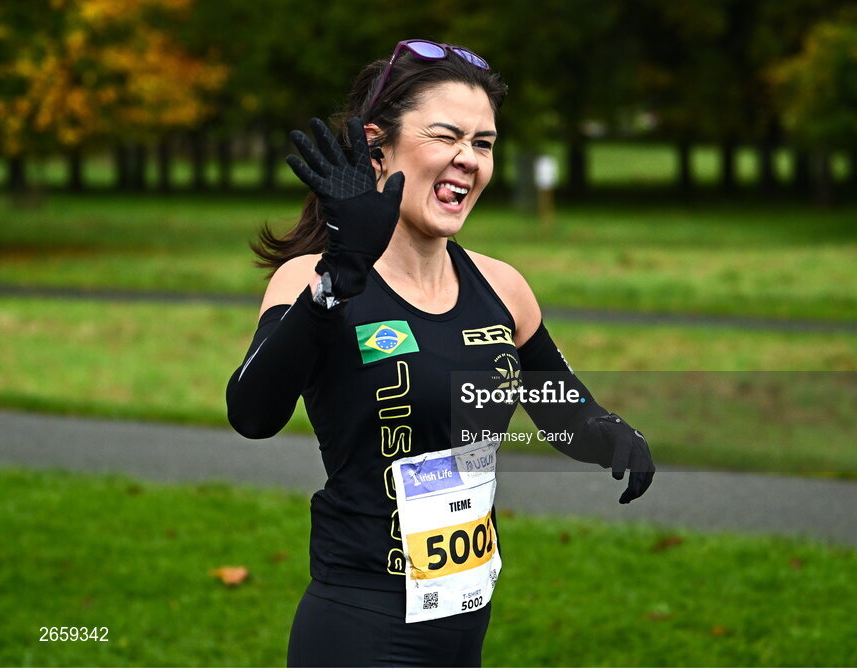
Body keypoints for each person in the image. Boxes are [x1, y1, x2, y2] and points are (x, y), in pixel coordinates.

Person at [225, 39, 655, 668]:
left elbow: (559, 405)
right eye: (447, 136)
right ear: (379, 147)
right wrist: (338, 278)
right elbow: (251, 414)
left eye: (483, 144)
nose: (468, 160)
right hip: (360, 622)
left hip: (464, 617)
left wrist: (606, 430)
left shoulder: (503, 286)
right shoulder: (312, 278)